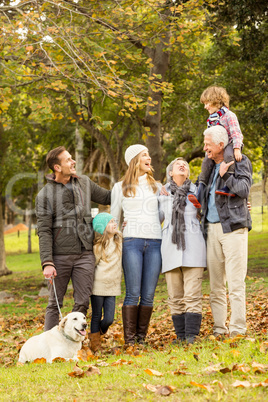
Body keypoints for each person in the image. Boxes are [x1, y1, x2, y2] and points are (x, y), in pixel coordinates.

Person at [35, 146, 111, 331]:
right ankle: (49, 345)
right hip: (59, 256)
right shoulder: (44, 195)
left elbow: (109, 196)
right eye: (68, 159)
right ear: (57, 167)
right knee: (55, 304)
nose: (73, 161)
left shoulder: (84, 182)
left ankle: (74, 342)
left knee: (83, 301)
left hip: (85, 253)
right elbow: (44, 230)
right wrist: (47, 262)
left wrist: (130, 182)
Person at [200, 125, 252, 338]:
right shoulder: (209, 166)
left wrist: (227, 176)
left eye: (208, 144)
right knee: (216, 285)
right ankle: (220, 328)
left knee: (236, 282)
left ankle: (238, 329)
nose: (205, 148)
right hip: (212, 230)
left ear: (221, 145)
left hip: (233, 230)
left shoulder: (240, 161)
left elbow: (244, 190)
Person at [111, 144, 162, 346]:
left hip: (155, 242)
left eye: (149, 154)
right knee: (133, 292)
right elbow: (113, 219)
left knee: (148, 294)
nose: (149, 158)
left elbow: (165, 213)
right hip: (131, 242)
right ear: (134, 161)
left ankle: (141, 340)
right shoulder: (119, 187)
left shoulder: (157, 187)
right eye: (144, 155)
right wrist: (119, 233)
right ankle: (130, 341)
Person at [158, 158, 206, 344]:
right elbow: (154, 219)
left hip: (193, 248)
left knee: (192, 295)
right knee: (175, 297)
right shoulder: (162, 193)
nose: (182, 164)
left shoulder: (198, 191)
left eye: (185, 164)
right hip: (170, 249)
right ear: (170, 172)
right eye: (178, 163)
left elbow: (209, 211)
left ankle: (191, 337)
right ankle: (180, 337)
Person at [188, 85, 244, 208]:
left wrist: (236, 149)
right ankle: (200, 192)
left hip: (229, 144)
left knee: (229, 156)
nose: (205, 106)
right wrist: (208, 151)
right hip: (217, 146)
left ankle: (228, 187)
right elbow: (209, 136)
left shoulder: (229, 115)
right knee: (206, 163)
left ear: (217, 101)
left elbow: (236, 133)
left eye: (207, 103)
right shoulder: (211, 119)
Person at [89, 212, 122, 353]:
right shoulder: (98, 246)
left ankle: (99, 333)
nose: (114, 223)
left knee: (109, 318)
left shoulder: (118, 242)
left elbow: (120, 232)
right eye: (110, 222)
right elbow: (93, 266)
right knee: (96, 315)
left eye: (115, 221)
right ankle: (95, 345)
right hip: (98, 285)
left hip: (113, 286)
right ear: (102, 228)